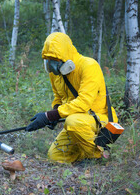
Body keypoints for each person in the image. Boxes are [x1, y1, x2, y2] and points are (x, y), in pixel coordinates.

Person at [25, 32, 118, 164]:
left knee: (73, 122)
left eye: (55, 60)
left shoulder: (89, 66)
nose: (51, 64)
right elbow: (58, 97)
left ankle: (97, 156)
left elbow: (84, 103)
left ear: (65, 57)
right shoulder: (55, 75)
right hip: (77, 120)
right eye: (48, 59)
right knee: (55, 156)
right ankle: (83, 150)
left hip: (99, 119)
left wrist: (49, 116)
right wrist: (55, 112)